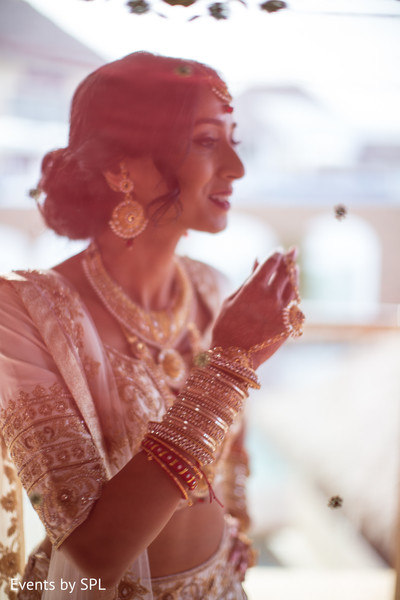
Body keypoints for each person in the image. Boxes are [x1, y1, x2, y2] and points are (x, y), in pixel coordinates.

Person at [0, 52, 304, 599]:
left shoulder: (211, 288)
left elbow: (228, 451)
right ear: (122, 167)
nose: (236, 167)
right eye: (209, 141)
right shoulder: (24, 312)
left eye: (233, 139)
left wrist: (233, 528)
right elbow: (91, 555)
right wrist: (230, 367)